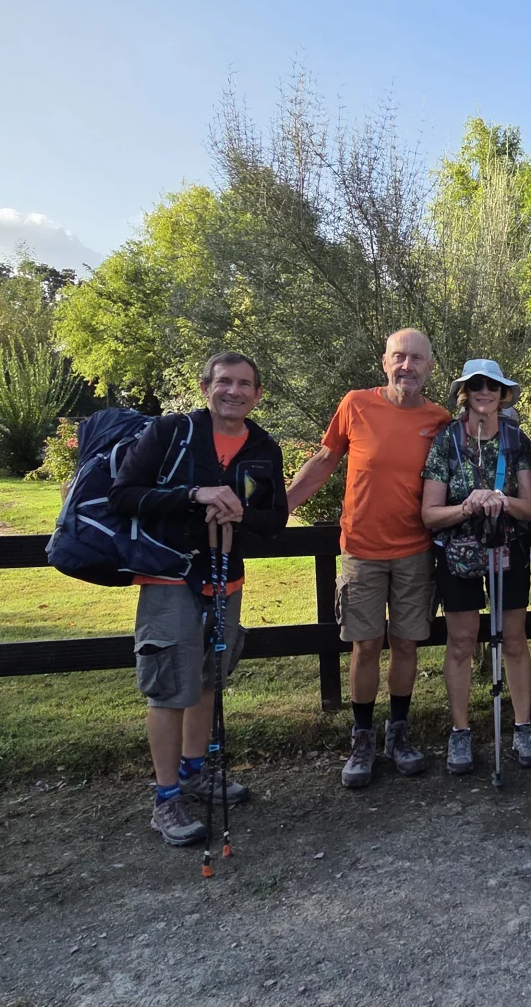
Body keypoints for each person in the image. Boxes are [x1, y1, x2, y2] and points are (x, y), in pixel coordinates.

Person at [110, 351, 289, 845]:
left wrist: (238, 514)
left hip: (226, 580)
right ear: (206, 385)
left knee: (210, 678)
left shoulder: (262, 446)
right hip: (170, 578)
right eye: (224, 382)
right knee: (170, 687)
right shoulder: (170, 433)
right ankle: (166, 798)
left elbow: (274, 520)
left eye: (245, 384)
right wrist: (195, 495)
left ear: (257, 393)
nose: (234, 391)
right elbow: (124, 495)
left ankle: (194, 772)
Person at [286, 328, 452, 787]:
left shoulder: (439, 420)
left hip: (416, 550)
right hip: (361, 549)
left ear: (430, 367)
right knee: (364, 646)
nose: (408, 366)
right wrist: (281, 507)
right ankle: (362, 737)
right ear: (384, 361)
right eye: (400, 357)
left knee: (405, 644)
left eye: (417, 359)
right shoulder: (355, 404)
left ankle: (399, 732)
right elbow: (323, 460)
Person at [420, 359, 531, 773]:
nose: (484, 392)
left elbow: (529, 508)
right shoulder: (445, 441)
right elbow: (430, 514)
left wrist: (500, 500)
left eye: (492, 386)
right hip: (458, 554)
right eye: (476, 386)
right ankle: (460, 733)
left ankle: (523, 727)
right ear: (465, 393)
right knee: (460, 642)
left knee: (514, 639)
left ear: (503, 393)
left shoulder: (515, 439)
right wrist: (467, 505)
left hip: (509, 550)